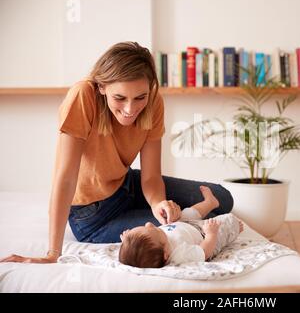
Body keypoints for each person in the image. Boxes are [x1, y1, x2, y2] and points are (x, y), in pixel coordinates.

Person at [0, 42, 233, 264]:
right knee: (179, 230)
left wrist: (158, 204)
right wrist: (53, 253)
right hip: (93, 215)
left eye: (140, 97)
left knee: (221, 198)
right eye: (119, 98)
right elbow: (66, 178)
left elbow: (151, 177)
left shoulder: (153, 103)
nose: (131, 109)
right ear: (102, 87)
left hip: (127, 184)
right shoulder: (84, 96)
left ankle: (146, 212)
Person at [119, 185, 243, 268]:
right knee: (225, 224)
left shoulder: (155, 244)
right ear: (166, 254)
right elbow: (204, 252)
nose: (149, 224)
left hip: (183, 225)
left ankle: (210, 203)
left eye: (145, 227)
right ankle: (236, 227)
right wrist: (211, 234)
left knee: (187, 213)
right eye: (155, 229)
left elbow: (134, 252)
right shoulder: (180, 254)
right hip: (203, 235)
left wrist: (127, 241)